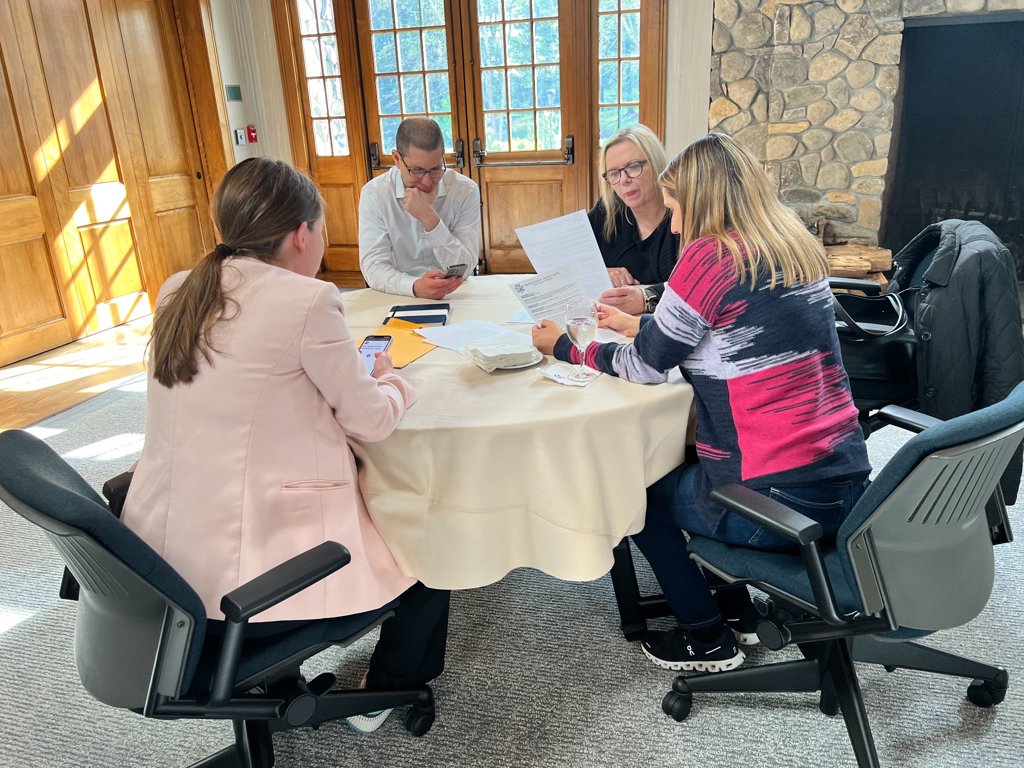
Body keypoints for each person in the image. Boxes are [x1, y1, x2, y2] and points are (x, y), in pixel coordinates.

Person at [122, 157, 449, 733]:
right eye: (320, 231)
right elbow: (371, 422)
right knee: (433, 550)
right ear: (302, 233)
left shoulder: (180, 288)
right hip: (245, 591)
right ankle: (387, 691)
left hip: (162, 574)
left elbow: (250, 391)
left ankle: (283, 678)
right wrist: (394, 377)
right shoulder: (308, 300)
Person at [533, 134, 870, 672]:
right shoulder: (794, 244)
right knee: (687, 465)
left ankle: (706, 637)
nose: (673, 225)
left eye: (677, 209)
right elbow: (736, 325)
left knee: (632, 496)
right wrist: (644, 323)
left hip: (777, 501)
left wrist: (566, 346)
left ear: (704, 200)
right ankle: (736, 611)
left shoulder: (709, 256)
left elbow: (644, 367)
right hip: (847, 488)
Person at [359, 117, 480, 299]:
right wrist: (414, 287)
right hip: (398, 294)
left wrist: (430, 219)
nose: (427, 180)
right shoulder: (375, 194)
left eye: (436, 169)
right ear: (397, 159)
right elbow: (373, 266)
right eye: (417, 170)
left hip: (455, 293)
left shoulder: (465, 190)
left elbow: (466, 266)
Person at [590, 124, 679, 315]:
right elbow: (567, 260)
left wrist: (646, 298)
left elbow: (702, 282)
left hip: (666, 327)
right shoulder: (609, 209)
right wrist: (600, 271)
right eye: (614, 173)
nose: (624, 180)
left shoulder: (682, 214)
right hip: (612, 327)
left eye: (633, 167)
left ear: (656, 165)